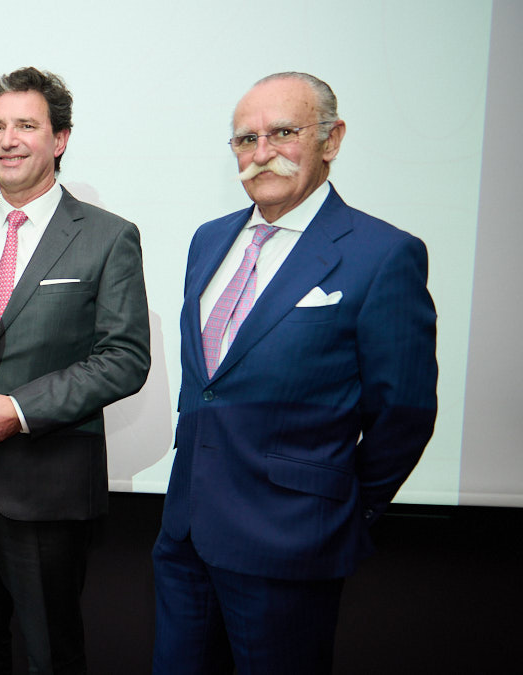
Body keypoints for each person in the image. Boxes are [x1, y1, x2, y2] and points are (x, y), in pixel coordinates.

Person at [153, 72, 439, 674]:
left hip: (290, 545)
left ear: (330, 140)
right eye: (244, 139)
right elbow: (210, 383)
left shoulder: (382, 254)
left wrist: (336, 512)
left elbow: (404, 412)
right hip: (185, 536)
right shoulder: (209, 241)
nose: (261, 154)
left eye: (283, 133)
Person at [0, 67, 151, 674]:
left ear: (60, 139)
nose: (8, 140)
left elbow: (124, 359)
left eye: (26, 125)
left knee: (51, 656)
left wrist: (19, 411)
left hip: (46, 488)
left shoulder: (107, 237)